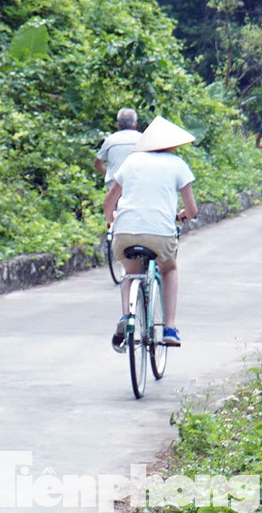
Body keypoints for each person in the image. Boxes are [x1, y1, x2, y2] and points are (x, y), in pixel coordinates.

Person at [105, 116, 199, 349]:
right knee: (169, 270)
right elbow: (192, 210)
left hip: (125, 230)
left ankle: (128, 318)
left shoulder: (131, 162)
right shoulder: (177, 164)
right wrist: (183, 215)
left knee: (130, 273)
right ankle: (169, 327)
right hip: (160, 233)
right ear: (172, 144)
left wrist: (112, 219)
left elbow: (110, 201)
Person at [94, 108, 143, 190]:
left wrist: (110, 174)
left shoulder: (110, 140)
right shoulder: (143, 139)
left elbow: (97, 164)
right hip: (137, 185)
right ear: (135, 125)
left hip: (114, 186)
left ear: (118, 125)